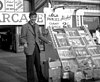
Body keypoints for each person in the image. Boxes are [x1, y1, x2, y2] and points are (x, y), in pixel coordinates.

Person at [20, 11, 51, 82]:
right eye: (32, 17)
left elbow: (40, 36)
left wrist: (47, 41)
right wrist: (24, 42)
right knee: (30, 66)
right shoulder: (25, 26)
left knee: (38, 65)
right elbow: (22, 37)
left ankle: (41, 79)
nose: (33, 18)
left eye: (35, 17)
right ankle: (30, 80)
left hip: (36, 47)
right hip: (29, 48)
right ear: (29, 17)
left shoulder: (37, 26)